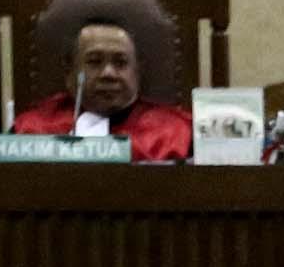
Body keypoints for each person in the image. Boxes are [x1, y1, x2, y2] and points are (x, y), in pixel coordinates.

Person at [12, 20, 192, 162]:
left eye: (120, 62)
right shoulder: (29, 130)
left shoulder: (179, 133)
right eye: (94, 61)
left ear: (137, 70)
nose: (108, 73)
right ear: (70, 70)